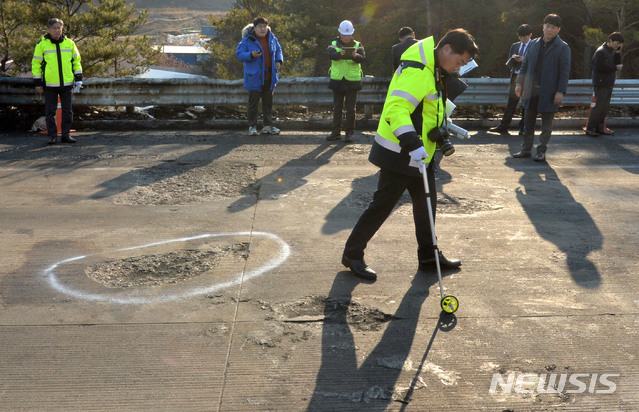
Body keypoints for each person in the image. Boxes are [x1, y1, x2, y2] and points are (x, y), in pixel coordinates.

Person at [340, 29, 478, 280]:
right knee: (382, 205)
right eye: (459, 62)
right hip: (401, 152)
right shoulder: (419, 70)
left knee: (427, 205)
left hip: (419, 153)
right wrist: (412, 143)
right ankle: (353, 254)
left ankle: (429, 255)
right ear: (446, 49)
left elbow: (426, 109)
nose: (458, 69)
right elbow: (397, 109)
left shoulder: (433, 69)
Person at [513, 14, 571, 162]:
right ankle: (526, 149)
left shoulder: (563, 47)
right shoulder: (533, 44)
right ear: (543, 26)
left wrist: (560, 91)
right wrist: (519, 83)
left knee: (546, 126)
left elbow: (564, 72)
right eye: (547, 26)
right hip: (530, 90)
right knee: (528, 122)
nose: (549, 30)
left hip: (549, 91)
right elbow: (524, 66)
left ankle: (541, 151)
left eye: (553, 27)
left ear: (558, 30)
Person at [31, 18, 82, 145]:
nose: (57, 30)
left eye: (59, 28)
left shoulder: (69, 43)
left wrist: (79, 79)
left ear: (62, 29)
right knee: (50, 112)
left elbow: (76, 62)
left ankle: (66, 135)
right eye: (54, 28)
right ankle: (52, 136)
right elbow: (36, 64)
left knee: (68, 111)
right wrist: (38, 83)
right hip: (50, 84)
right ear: (49, 29)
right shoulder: (42, 45)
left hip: (67, 83)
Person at [236, 16, 283, 136]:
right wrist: (251, 54)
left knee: (268, 104)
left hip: (269, 77)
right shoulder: (247, 40)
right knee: (253, 104)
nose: (262, 29)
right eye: (260, 26)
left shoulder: (272, 39)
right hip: (254, 78)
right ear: (254, 28)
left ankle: (268, 126)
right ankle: (252, 127)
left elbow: (278, 50)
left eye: (264, 26)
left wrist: (279, 61)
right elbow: (239, 54)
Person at [489, 24, 533, 135]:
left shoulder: (534, 46)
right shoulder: (515, 46)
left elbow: (536, 63)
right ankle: (504, 126)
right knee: (511, 103)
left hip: (527, 78)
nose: (523, 39)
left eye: (525, 37)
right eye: (521, 37)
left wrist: (524, 60)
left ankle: (523, 128)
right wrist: (514, 59)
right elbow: (509, 63)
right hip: (515, 76)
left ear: (530, 35)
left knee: (525, 104)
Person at [326, 20, 366, 143]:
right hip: (338, 81)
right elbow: (331, 54)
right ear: (339, 33)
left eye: (348, 35)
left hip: (352, 81)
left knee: (351, 109)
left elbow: (363, 58)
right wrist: (340, 54)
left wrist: (355, 56)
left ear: (352, 34)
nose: (346, 37)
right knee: (337, 108)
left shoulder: (358, 45)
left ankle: (349, 133)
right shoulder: (333, 43)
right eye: (343, 35)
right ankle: (336, 132)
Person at [586, 32, 624, 136]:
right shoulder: (601, 52)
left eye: (620, 43)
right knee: (598, 107)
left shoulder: (611, 51)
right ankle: (590, 128)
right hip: (601, 83)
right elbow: (598, 67)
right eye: (617, 43)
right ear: (610, 40)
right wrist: (614, 68)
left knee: (604, 107)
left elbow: (618, 64)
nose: (618, 45)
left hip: (608, 83)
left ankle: (600, 127)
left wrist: (617, 53)